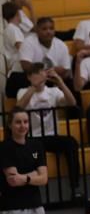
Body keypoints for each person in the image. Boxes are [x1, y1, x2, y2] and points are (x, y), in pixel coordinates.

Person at [15, 63, 80, 194]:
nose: (40, 75)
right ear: (29, 77)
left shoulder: (53, 92)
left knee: (71, 143)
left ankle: (75, 187)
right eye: (36, 73)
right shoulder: (23, 91)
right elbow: (18, 108)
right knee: (32, 155)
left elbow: (72, 102)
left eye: (42, 72)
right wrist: (34, 87)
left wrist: (60, 83)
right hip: (33, 138)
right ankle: (32, 191)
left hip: (52, 135)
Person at [1, 108, 48, 214]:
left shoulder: (37, 146)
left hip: (36, 205)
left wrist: (24, 178)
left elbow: (44, 178)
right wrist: (35, 173)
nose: (23, 126)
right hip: (12, 207)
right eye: (18, 122)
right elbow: (14, 181)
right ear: (9, 125)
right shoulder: (4, 148)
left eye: (25, 122)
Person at [18, 16, 73, 91]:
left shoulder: (61, 45)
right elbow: (26, 66)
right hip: (33, 78)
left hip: (54, 78)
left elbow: (66, 71)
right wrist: (48, 71)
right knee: (20, 79)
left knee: (70, 84)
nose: (48, 32)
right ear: (37, 30)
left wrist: (56, 75)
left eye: (51, 28)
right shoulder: (28, 42)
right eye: (44, 29)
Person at [3, 2, 27, 97]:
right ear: (17, 13)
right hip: (18, 71)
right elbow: (22, 49)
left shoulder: (13, 29)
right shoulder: (12, 29)